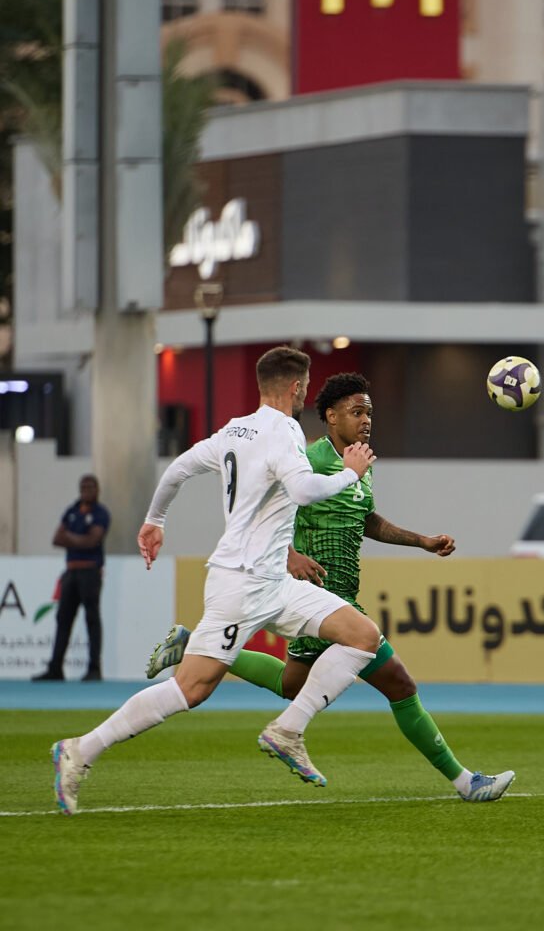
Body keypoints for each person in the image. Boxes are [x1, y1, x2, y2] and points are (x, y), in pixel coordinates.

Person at [148, 373, 515, 803]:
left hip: (335, 598)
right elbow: (261, 512)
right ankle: (466, 782)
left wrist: (421, 541)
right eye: (357, 412)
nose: (366, 420)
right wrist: (289, 554)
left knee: (290, 684)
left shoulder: (359, 463)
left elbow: (366, 518)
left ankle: (192, 645)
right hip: (320, 600)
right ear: (331, 416)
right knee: (400, 685)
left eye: (369, 412)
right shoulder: (309, 459)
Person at [50, 346, 381, 816]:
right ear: (295, 387)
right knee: (191, 689)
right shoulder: (284, 430)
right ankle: (80, 749)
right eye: (305, 387)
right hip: (242, 585)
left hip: (274, 581)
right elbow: (305, 490)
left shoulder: (234, 430)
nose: (306, 394)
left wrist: (155, 520)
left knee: (362, 636)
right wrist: (350, 473)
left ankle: (288, 730)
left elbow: (178, 469)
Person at [33, 474, 110, 682]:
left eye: (90, 487)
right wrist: (79, 539)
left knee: (92, 619)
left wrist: (70, 538)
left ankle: (94, 668)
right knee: (63, 619)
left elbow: (93, 541)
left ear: (97, 490)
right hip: (70, 572)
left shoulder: (101, 513)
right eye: (83, 487)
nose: (86, 490)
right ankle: (55, 668)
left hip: (90, 571)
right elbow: (56, 538)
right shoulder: (72, 511)